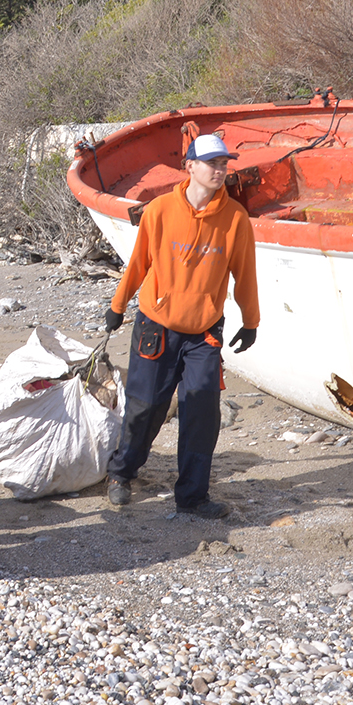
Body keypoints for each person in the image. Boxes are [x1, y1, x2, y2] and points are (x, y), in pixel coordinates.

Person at [102, 129, 259, 519]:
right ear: (189, 166)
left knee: (202, 411)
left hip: (204, 332)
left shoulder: (236, 219)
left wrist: (251, 321)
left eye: (224, 164)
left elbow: (246, 274)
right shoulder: (158, 211)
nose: (219, 171)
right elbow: (138, 263)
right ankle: (121, 474)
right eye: (212, 163)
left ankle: (192, 496)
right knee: (145, 406)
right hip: (156, 326)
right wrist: (118, 306)